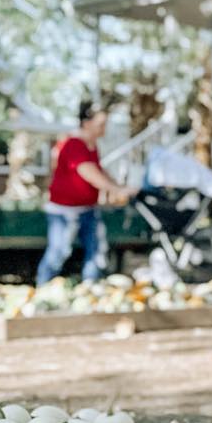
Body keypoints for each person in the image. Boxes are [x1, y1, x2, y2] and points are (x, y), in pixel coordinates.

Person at [35, 101, 132, 286]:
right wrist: (116, 189)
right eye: (101, 124)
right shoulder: (73, 144)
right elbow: (88, 172)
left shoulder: (92, 145)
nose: (104, 129)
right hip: (63, 211)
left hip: (87, 209)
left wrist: (120, 186)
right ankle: (42, 288)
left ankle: (90, 288)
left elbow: (99, 170)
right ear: (87, 123)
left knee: (96, 252)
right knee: (58, 252)